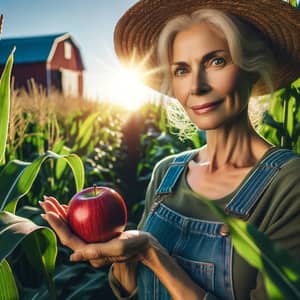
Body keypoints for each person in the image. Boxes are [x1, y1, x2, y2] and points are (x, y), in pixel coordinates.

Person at [40, 0, 300, 299]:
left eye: (216, 61)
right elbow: (137, 291)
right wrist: (122, 259)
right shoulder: (167, 173)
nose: (196, 86)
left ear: (253, 67)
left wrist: (153, 255)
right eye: (181, 70)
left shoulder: (289, 185)